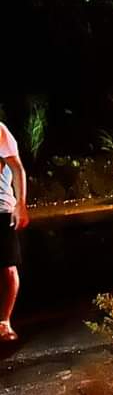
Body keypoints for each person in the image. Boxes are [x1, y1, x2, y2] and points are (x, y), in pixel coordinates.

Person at [0, 121, 29, 342]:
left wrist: (20, 204)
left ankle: (4, 322)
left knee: (6, 266)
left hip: (0, 207)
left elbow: (16, 167)